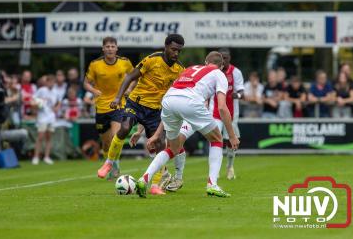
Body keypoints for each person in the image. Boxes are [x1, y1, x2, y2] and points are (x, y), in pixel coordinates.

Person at [136, 51, 240, 198]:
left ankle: (144, 178)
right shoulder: (219, 73)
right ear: (221, 65)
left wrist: (157, 134)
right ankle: (212, 184)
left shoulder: (189, 69)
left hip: (168, 101)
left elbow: (175, 99)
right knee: (217, 139)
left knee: (173, 148)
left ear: (205, 62)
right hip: (191, 103)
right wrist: (232, 135)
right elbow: (222, 107)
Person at [97, 34, 185, 195]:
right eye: (173, 49)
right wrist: (118, 97)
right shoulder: (152, 60)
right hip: (136, 103)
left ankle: (155, 185)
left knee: (160, 145)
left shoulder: (179, 70)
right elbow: (130, 76)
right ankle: (109, 162)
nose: (176, 53)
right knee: (124, 128)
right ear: (165, 47)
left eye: (179, 51)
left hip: (156, 111)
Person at [163, 48, 244, 192]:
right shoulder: (206, 73)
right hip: (203, 113)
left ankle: (227, 168)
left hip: (222, 114)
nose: (224, 60)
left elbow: (241, 93)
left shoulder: (233, 73)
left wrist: (235, 96)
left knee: (222, 140)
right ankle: (179, 177)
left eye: (226, 58)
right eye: (222, 58)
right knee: (177, 143)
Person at [84, 37, 134, 178]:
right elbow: (86, 83)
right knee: (106, 144)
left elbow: (135, 76)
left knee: (115, 137)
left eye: (113, 46)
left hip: (118, 104)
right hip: (101, 107)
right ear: (103, 49)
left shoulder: (125, 62)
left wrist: (129, 88)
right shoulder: (95, 65)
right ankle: (110, 162)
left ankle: (115, 167)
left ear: (117, 48)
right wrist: (93, 91)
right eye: (108, 46)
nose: (110, 49)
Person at [32, 75, 59, 165]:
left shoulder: (56, 92)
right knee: (40, 137)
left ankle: (46, 157)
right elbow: (33, 100)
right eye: (50, 81)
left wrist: (56, 108)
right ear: (46, 82)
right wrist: (38, 103)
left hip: (51, 117)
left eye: (53, 82)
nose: (51, 83)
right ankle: (36, 157)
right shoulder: (42, 90)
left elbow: (59, 102)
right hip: (42, 117)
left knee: (49, 138)